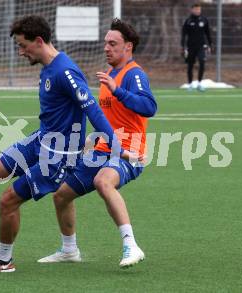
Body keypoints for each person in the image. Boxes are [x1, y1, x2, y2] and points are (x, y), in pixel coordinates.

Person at [0, 15, 140, 273]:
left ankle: (3, 259)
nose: (20, 52)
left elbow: (93, 110)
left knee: (8, 200)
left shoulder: (66, 71)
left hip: (59, 155)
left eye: (22, 45)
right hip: (41, 140)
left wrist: (116, 147)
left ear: (39, 41)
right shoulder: (48, 67)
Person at [37, 18, 157, 268]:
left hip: (129, 152)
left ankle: (131, 245)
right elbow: (110, 120)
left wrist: (118, 91)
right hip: (104, 150)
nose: (106, 48)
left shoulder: (133, 74)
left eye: (113, 43)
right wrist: (92, 139)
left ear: (128, 47)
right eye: (106, 43)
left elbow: (149, 107)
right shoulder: (111, 74)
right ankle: (69, 250)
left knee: (103, 181)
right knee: (61, 196)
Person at [181, 3, 212, 92]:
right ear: (192, 10)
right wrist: (183, 46)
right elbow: (184, 35)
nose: (198, 11)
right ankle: (190, 84)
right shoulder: (188, 21)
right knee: (190, 65)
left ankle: (199, 83)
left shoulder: (204, 20)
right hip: (190, 47)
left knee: (202, 62)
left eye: (199, 9)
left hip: (201, 46)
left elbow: (208, 33)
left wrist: (210, 44)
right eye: (196, 9)